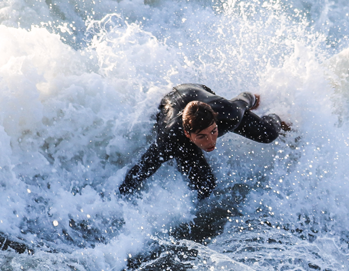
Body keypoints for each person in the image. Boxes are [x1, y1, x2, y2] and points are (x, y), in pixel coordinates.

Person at [119, 83, 289, 200]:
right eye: (202, 137)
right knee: (204, 186)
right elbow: (139, 171)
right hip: (170, 102)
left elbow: (246, 98)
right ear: (188, 134)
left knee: (267, 134)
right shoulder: (171, 139)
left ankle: (279, 118)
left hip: (197, 91)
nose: (211, 142)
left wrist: (254, 99)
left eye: (213, 132)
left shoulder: (229, 113)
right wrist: (120, 198)